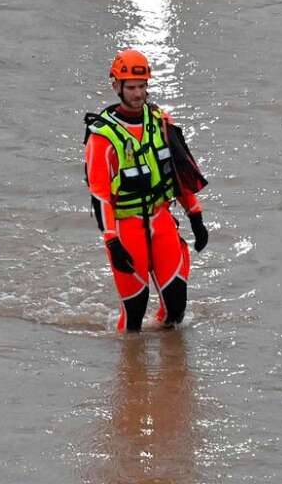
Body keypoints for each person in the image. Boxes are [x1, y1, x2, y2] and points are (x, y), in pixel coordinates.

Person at [85, 49, 210, 331]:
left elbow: (178, 172)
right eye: (131, 87)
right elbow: (100, 195)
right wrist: (111, 241)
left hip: (161, 220)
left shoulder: (161, 122)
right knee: (134, 316)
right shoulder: (102, 137)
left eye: (142, 87)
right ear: (116, 86)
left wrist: (195, 215)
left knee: (176, 309)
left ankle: (170, 366)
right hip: (127, 230)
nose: (138, 94)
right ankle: (131, 370)